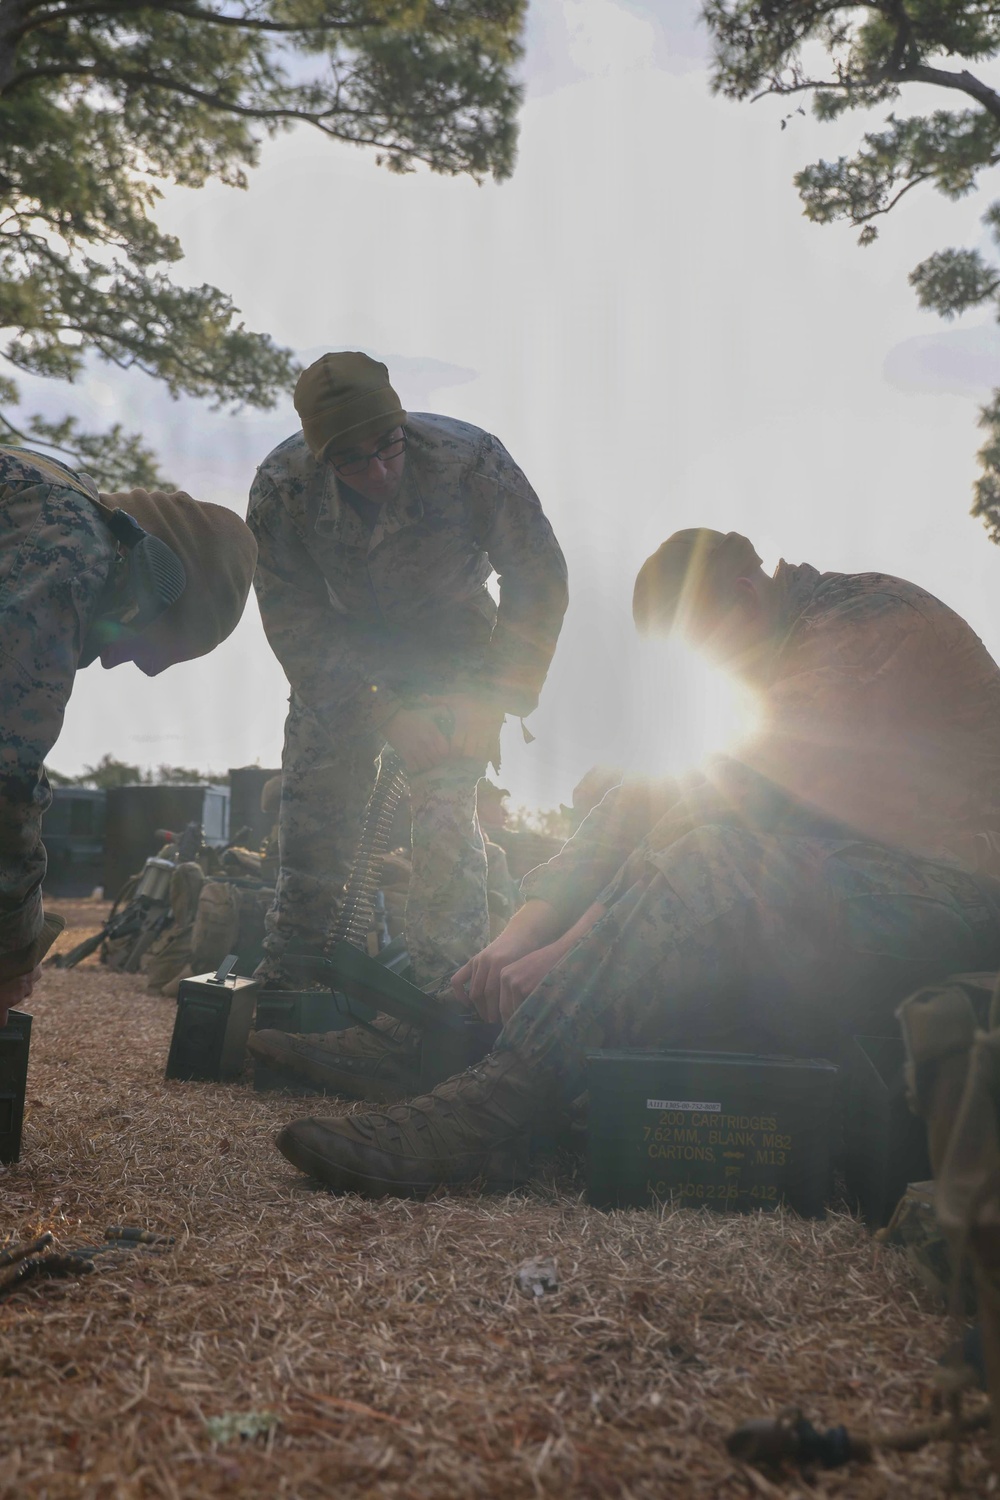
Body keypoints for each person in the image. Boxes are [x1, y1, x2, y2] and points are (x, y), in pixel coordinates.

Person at [273, 527, 1000, 1198]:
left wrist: (575, 945)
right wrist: (521, 935)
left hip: (954, 893)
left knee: (714, 860)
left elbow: (733, 806)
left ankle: (488, 1106)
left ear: (747, 595)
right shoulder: (786, 636)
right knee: (643, 792)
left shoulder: (864, 623)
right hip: (860, 880)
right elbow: (658, 801)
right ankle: (439, 1027)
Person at [245, 352, 568, 1011]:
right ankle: (291, 989)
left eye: (388, 446)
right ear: (320, 455)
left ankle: (445, 1005)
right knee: (312, 817)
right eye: (352, 461)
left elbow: (538, 578)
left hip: (453, 651)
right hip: (342, 655)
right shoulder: (282, 487)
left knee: (447, 819)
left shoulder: (470, 461)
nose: (379, 471)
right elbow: (292, 618)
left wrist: (494, 699)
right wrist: (382, 709)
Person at [0, 446, 258, 1028]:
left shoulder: (41, 498)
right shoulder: (68, 542)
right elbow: (6, 773)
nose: (114, 661)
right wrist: (12, 954)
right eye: (142, 646)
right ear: (156, 582)